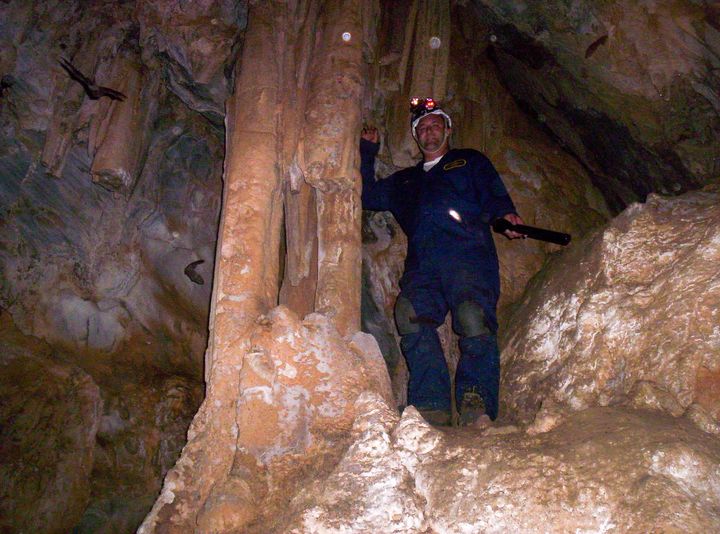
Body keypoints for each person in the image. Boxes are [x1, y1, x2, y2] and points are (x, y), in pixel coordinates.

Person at [360, 97, 524, 427]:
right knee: (410, 317)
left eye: (435, 124)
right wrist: (368, 153)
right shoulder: (404, 181)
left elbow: (492, 194)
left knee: (472, 318)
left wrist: (504, 214)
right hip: (424, 264)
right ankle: (430, 403)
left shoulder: (468, 162)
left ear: (447, 129)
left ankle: (476, 401)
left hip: (469, 255)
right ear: (416, 136)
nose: (429, 131)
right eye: (422, 127)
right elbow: (367, 196)